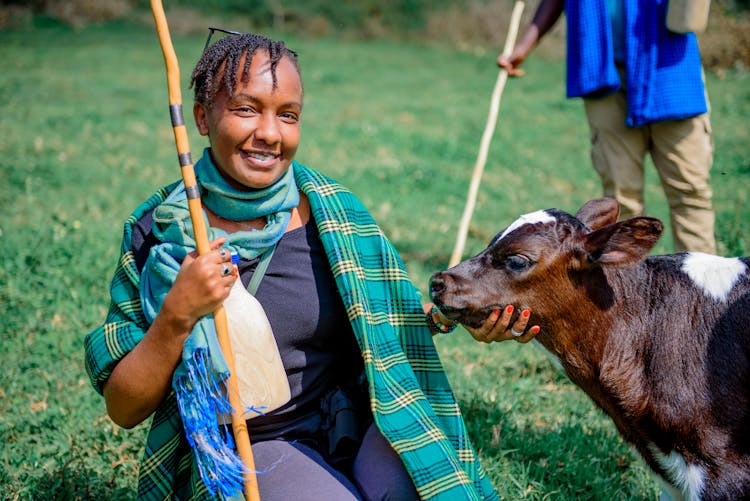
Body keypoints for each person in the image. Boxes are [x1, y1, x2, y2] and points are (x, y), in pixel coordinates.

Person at [84, 32, 538, 500]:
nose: (270, 133)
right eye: (246, 109)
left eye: (288, 115)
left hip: (360, 417)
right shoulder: (161, 235)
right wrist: (177, 316)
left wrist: (459, 317)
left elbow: (382, 326)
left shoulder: (334, 212)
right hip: (258, 443)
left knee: (429, 488)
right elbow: (124, 406)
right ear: (201, 117)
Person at [497, 0, 716, 253]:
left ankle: (701, 286)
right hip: (601, 73)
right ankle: (629, 287)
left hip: (669, 69)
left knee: (689, 191)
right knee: (621, 200)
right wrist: (525, 46)